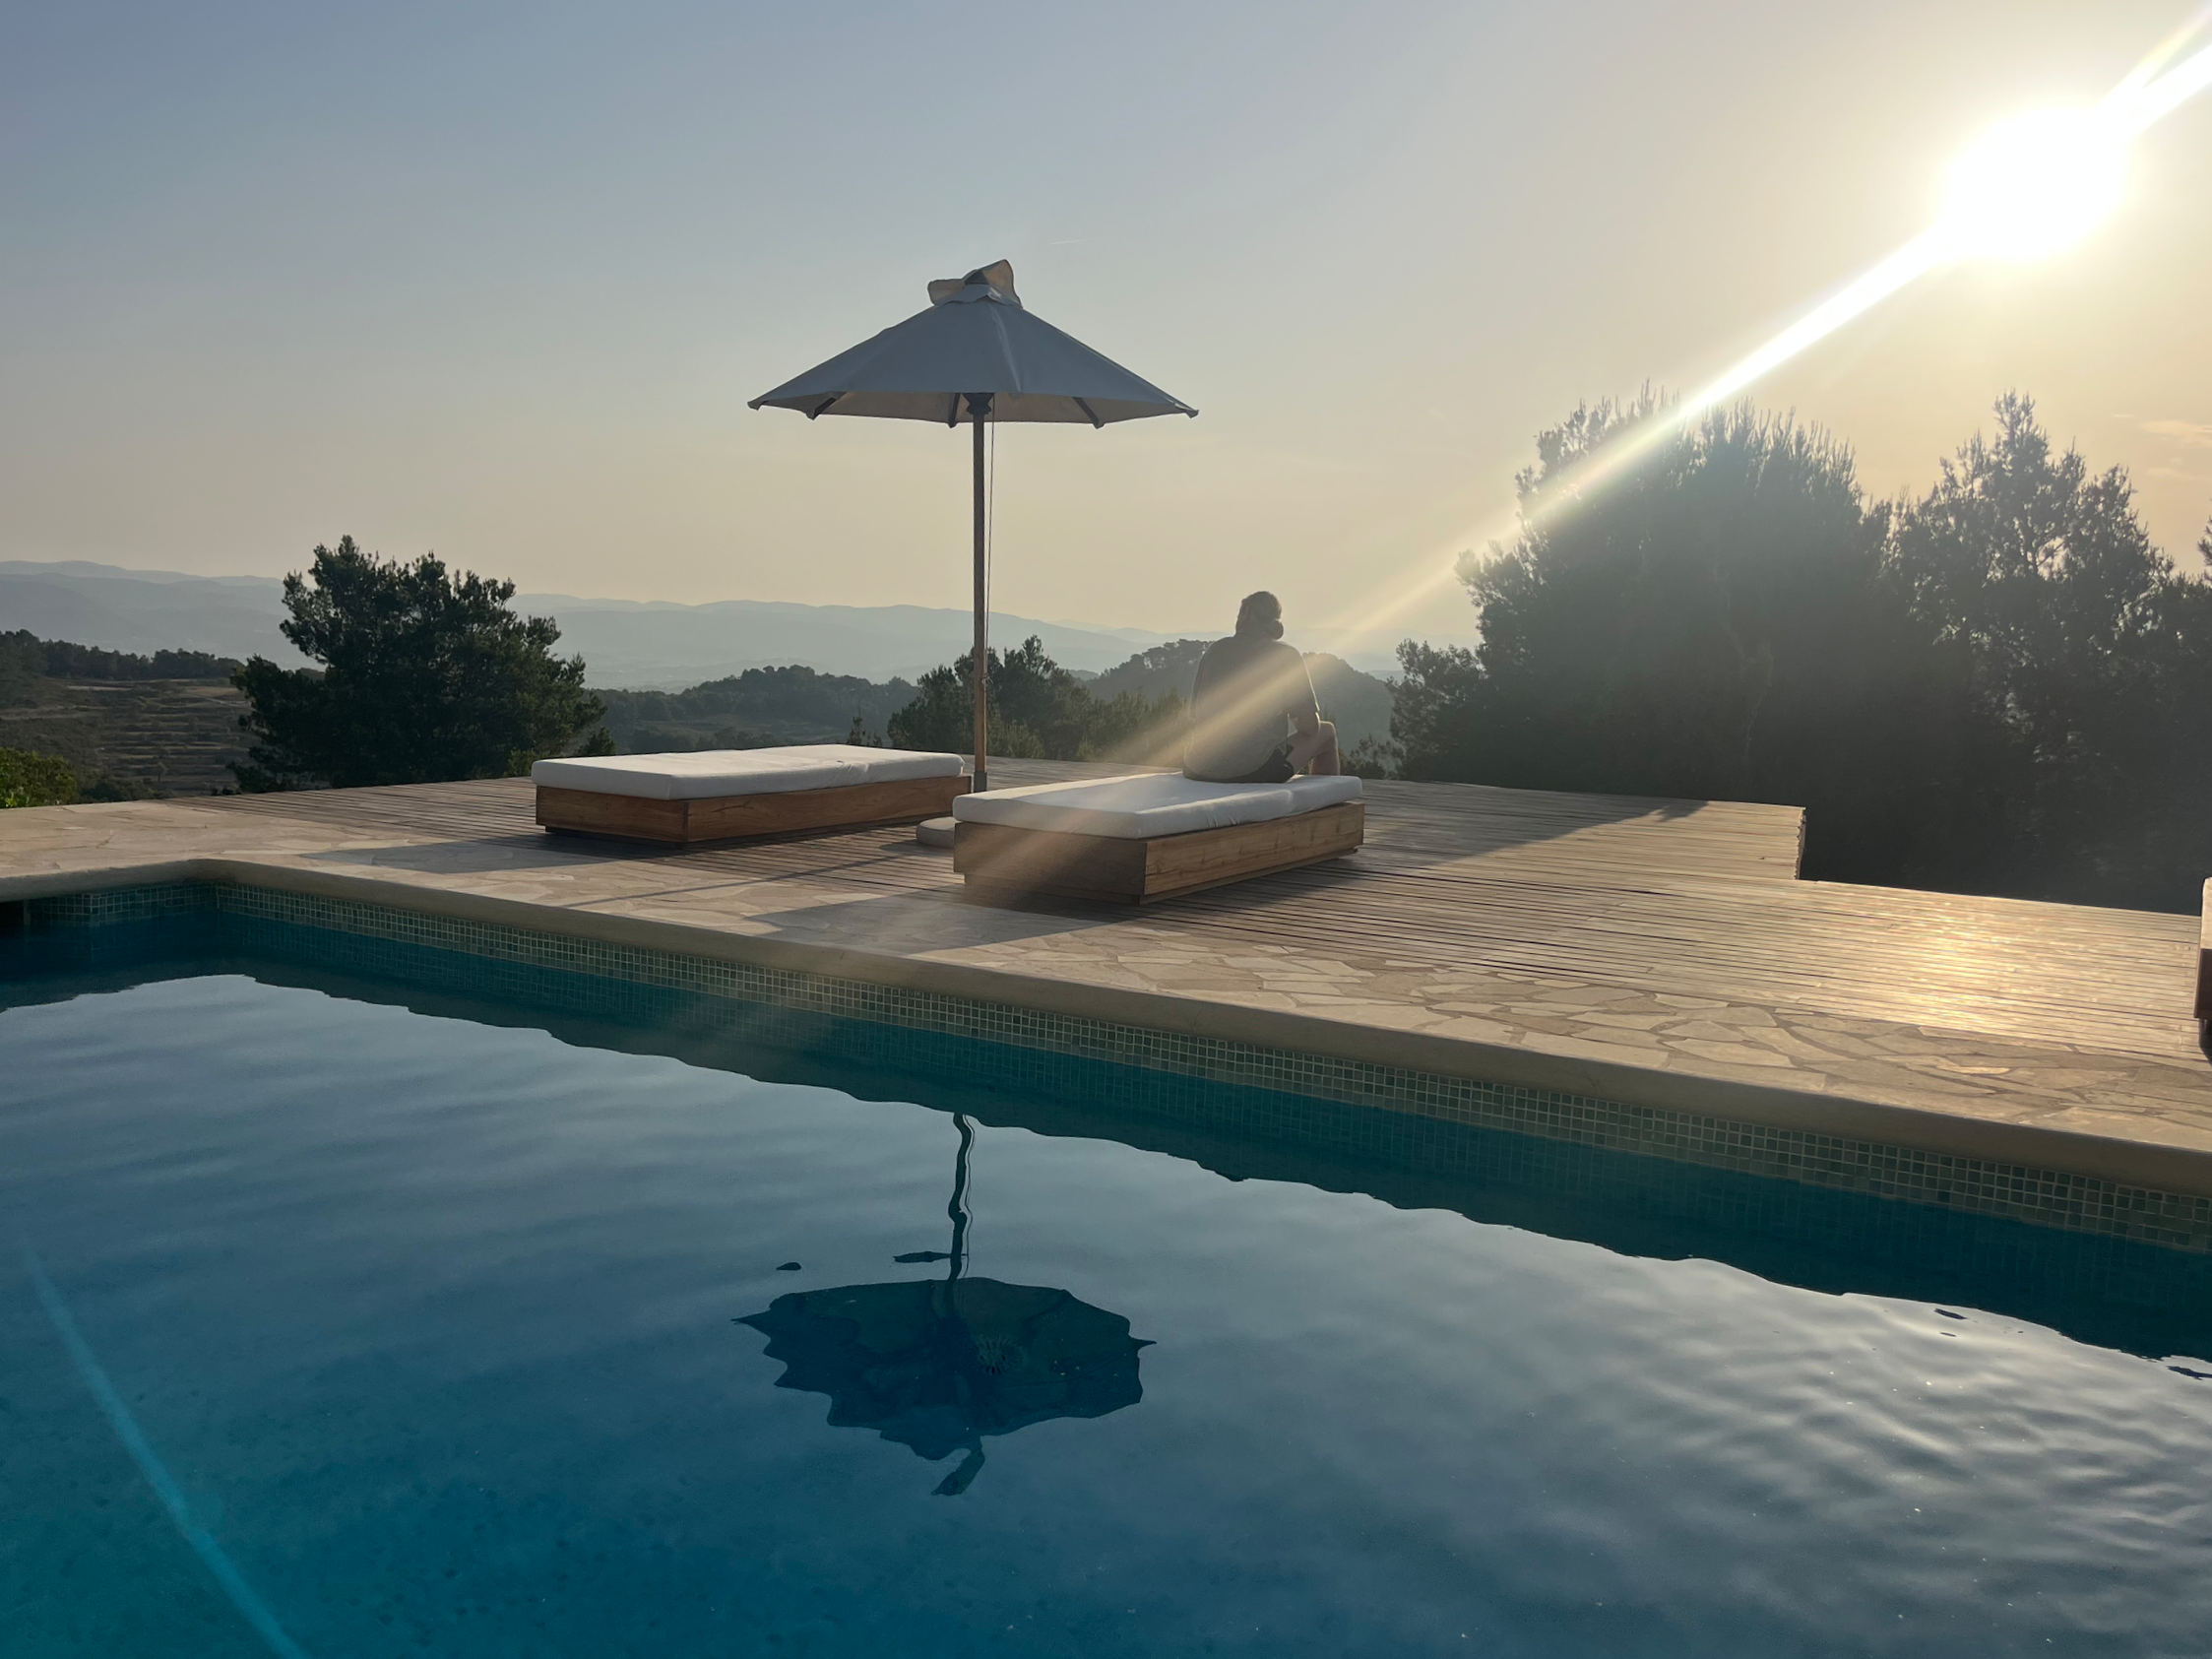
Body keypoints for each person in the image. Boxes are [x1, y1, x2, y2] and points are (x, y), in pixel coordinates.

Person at [1182, 592, 1339, 783]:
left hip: (1196, 766)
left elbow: (1195, 714)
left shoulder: (1215, 650)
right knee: (1327, 732)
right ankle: (1325, 805)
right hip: (1250, 769)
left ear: (1246, 615)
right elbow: (1310, 728)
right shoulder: (1285, 655)